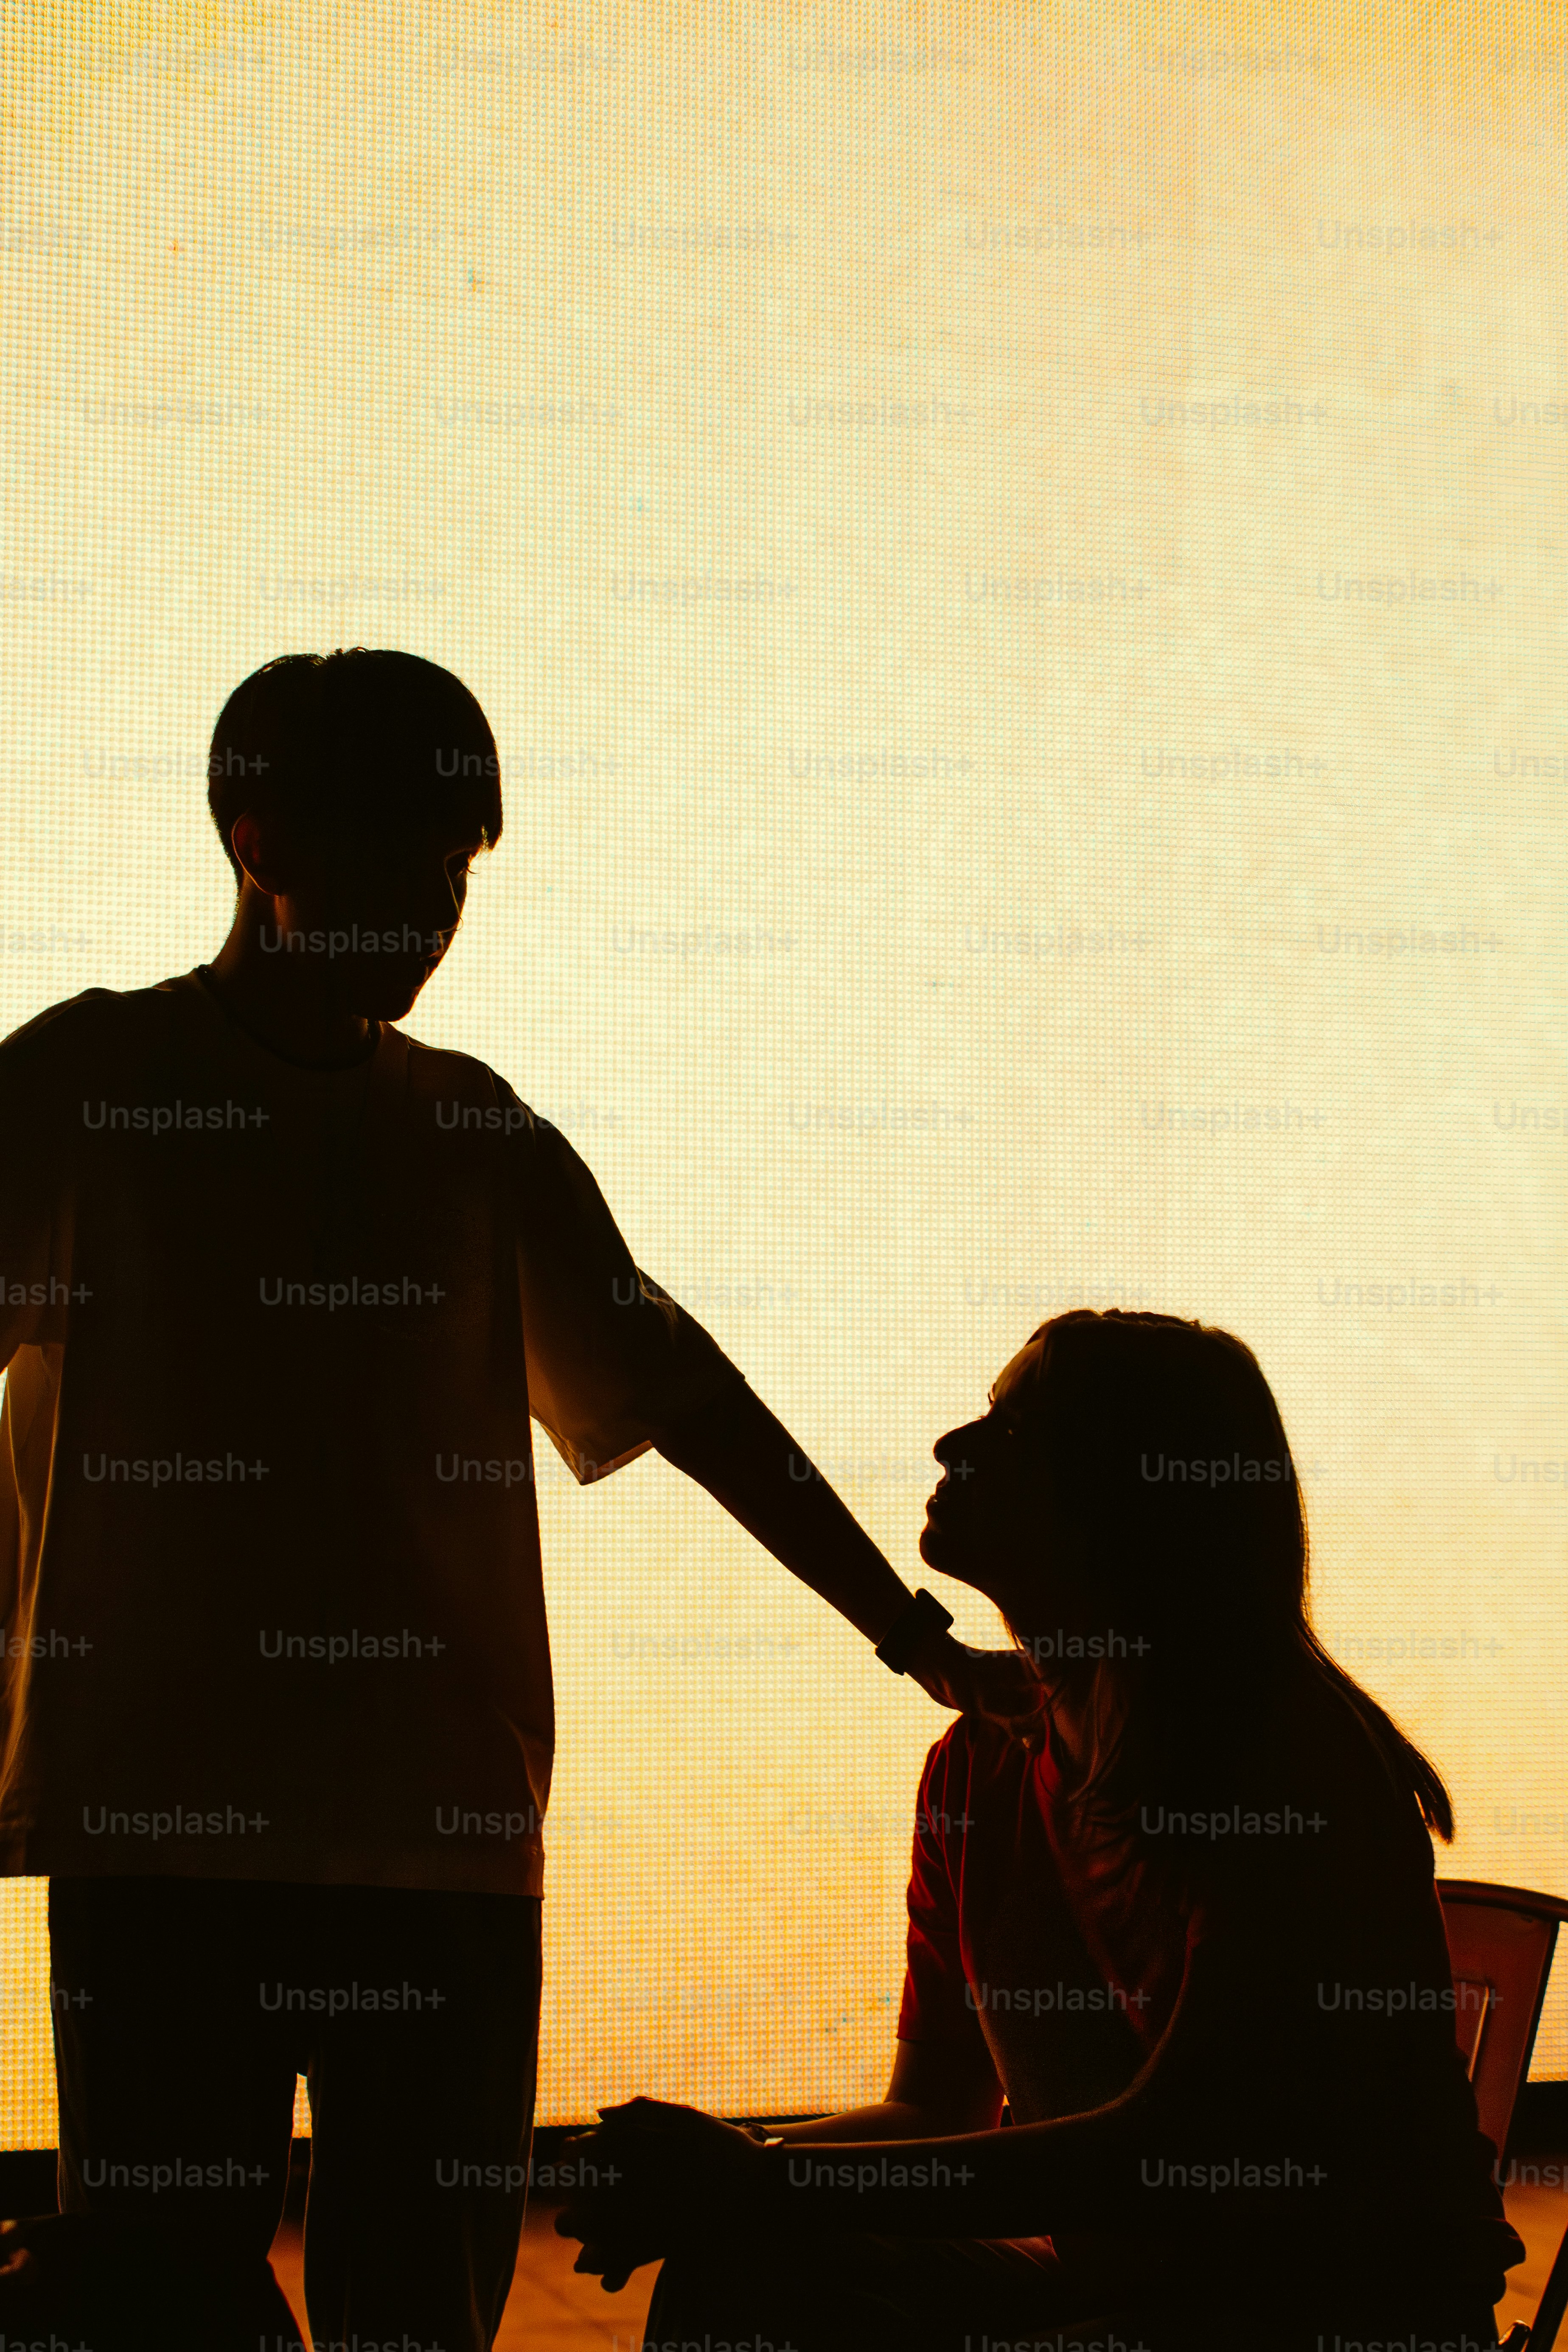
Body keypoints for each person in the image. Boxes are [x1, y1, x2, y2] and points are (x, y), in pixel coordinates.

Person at [0, 648, 1032, 2352]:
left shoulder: (462, 1134)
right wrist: (908, 1632)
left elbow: (692, 1398)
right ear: (261, 841)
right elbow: (684, 1400)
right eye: (401, 863)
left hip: (402, 1836)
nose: (433, 913)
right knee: (168, 2303)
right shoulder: (92, 1092)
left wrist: (910, 1634)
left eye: (453, 874)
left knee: (356, 2303)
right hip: (215, 1836)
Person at [558, 1308, 1524, 2352]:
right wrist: (728, 2176)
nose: (952, 1447)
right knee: (742, 2260)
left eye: (1012, 1430)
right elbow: (935, 2116)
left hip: (1339, 2315)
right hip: (1127, 2289)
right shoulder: (977, 1772)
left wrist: (756, 2176)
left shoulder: (1282, 1760)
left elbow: (1171, 2154)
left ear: (1129, 1497)